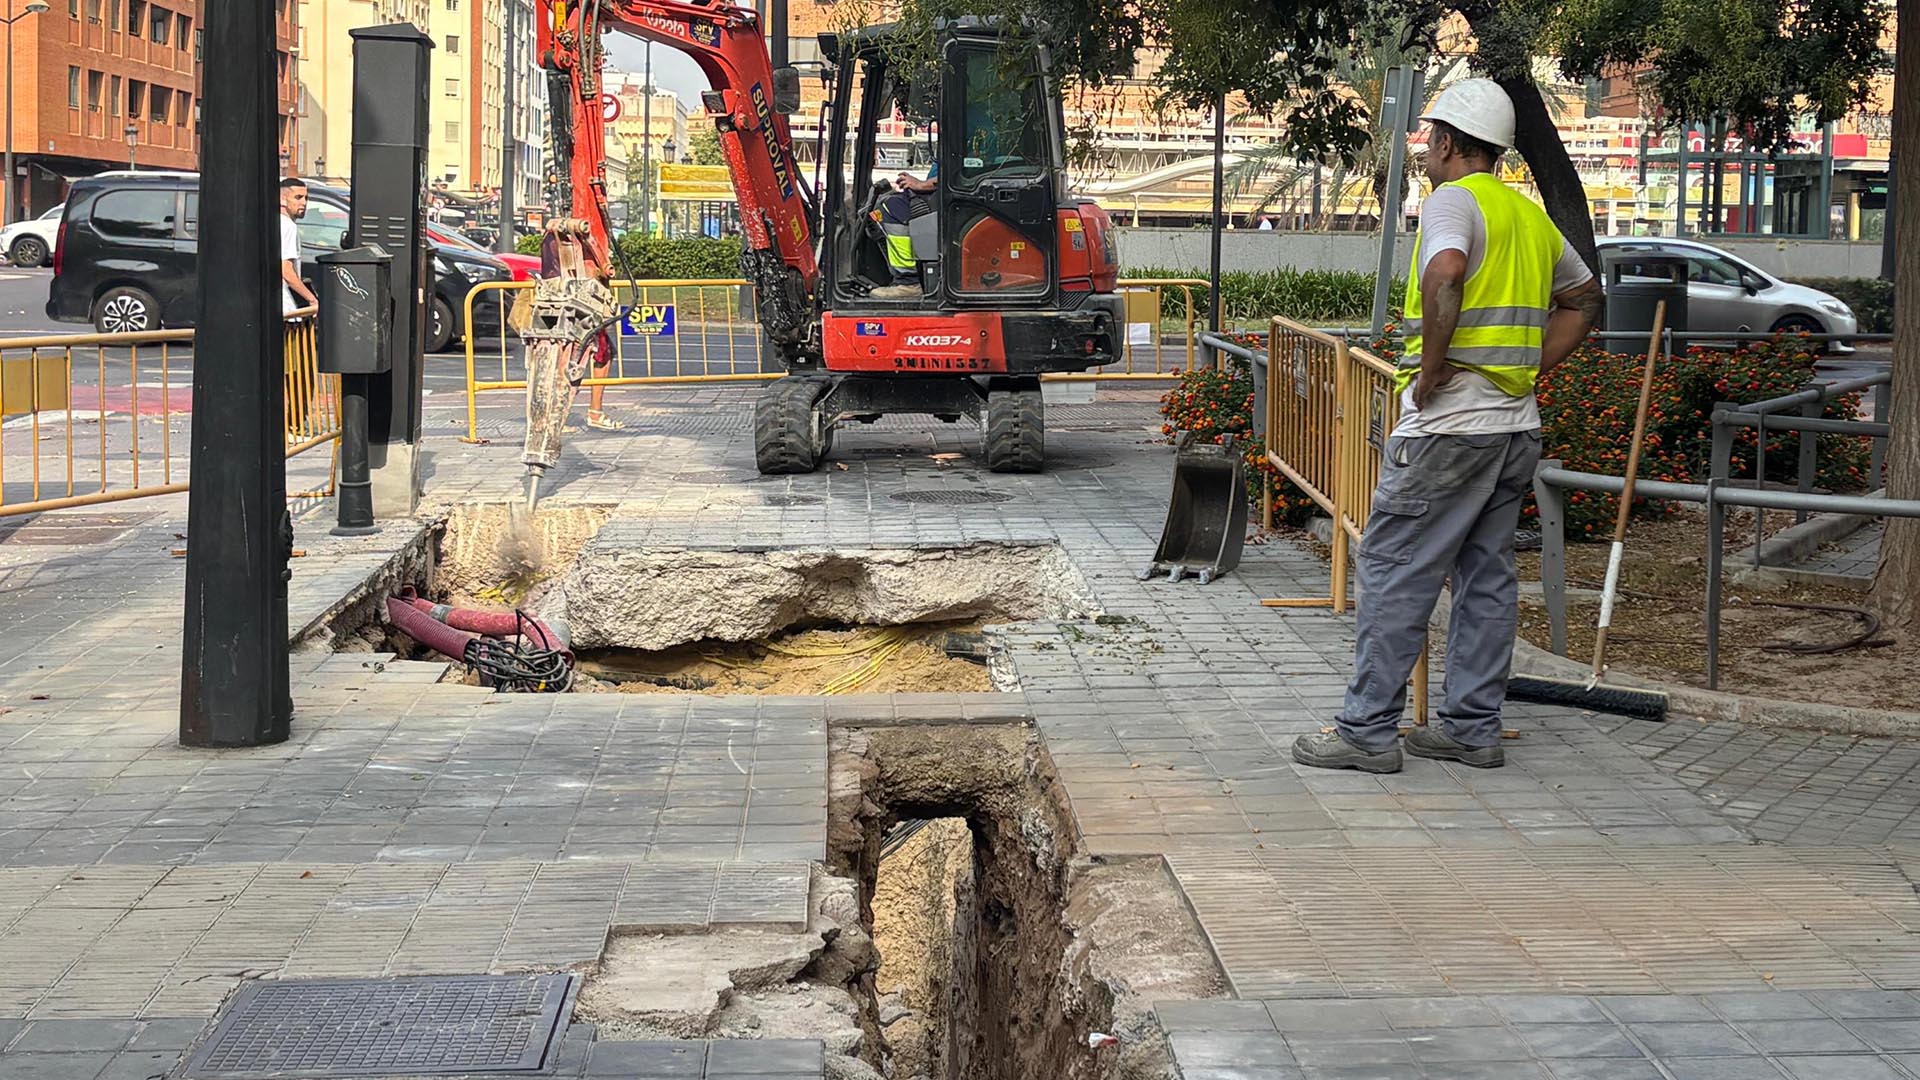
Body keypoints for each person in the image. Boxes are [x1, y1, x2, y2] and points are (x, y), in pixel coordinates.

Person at [1290, 79, 1604, 774]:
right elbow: (1584, 299)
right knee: (1485, 577)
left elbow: (1446, 278)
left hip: (1450, 428)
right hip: (1512, 427)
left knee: (1395, 569)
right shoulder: (1528, 217)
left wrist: (1432, 370)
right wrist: (1523, 367)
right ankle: (1469, 729)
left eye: (1432, 139)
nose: (1426, 151)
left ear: (1452, 144)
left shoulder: (1451, 203)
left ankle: (1367, 731)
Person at [871, 162, 939, 298]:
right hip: (942, 192)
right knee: (885, 201)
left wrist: (923, 185)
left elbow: (961, 171)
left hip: (950, 195)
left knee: (891, 207)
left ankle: (909, 281)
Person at [279, 177, 317, 315]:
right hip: (287, 304)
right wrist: (312, 299)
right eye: (298, 197)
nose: (304, 203)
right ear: (282, 199)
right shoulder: (288, 227)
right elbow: (287, 272)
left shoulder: (275, 223)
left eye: (306, 198)